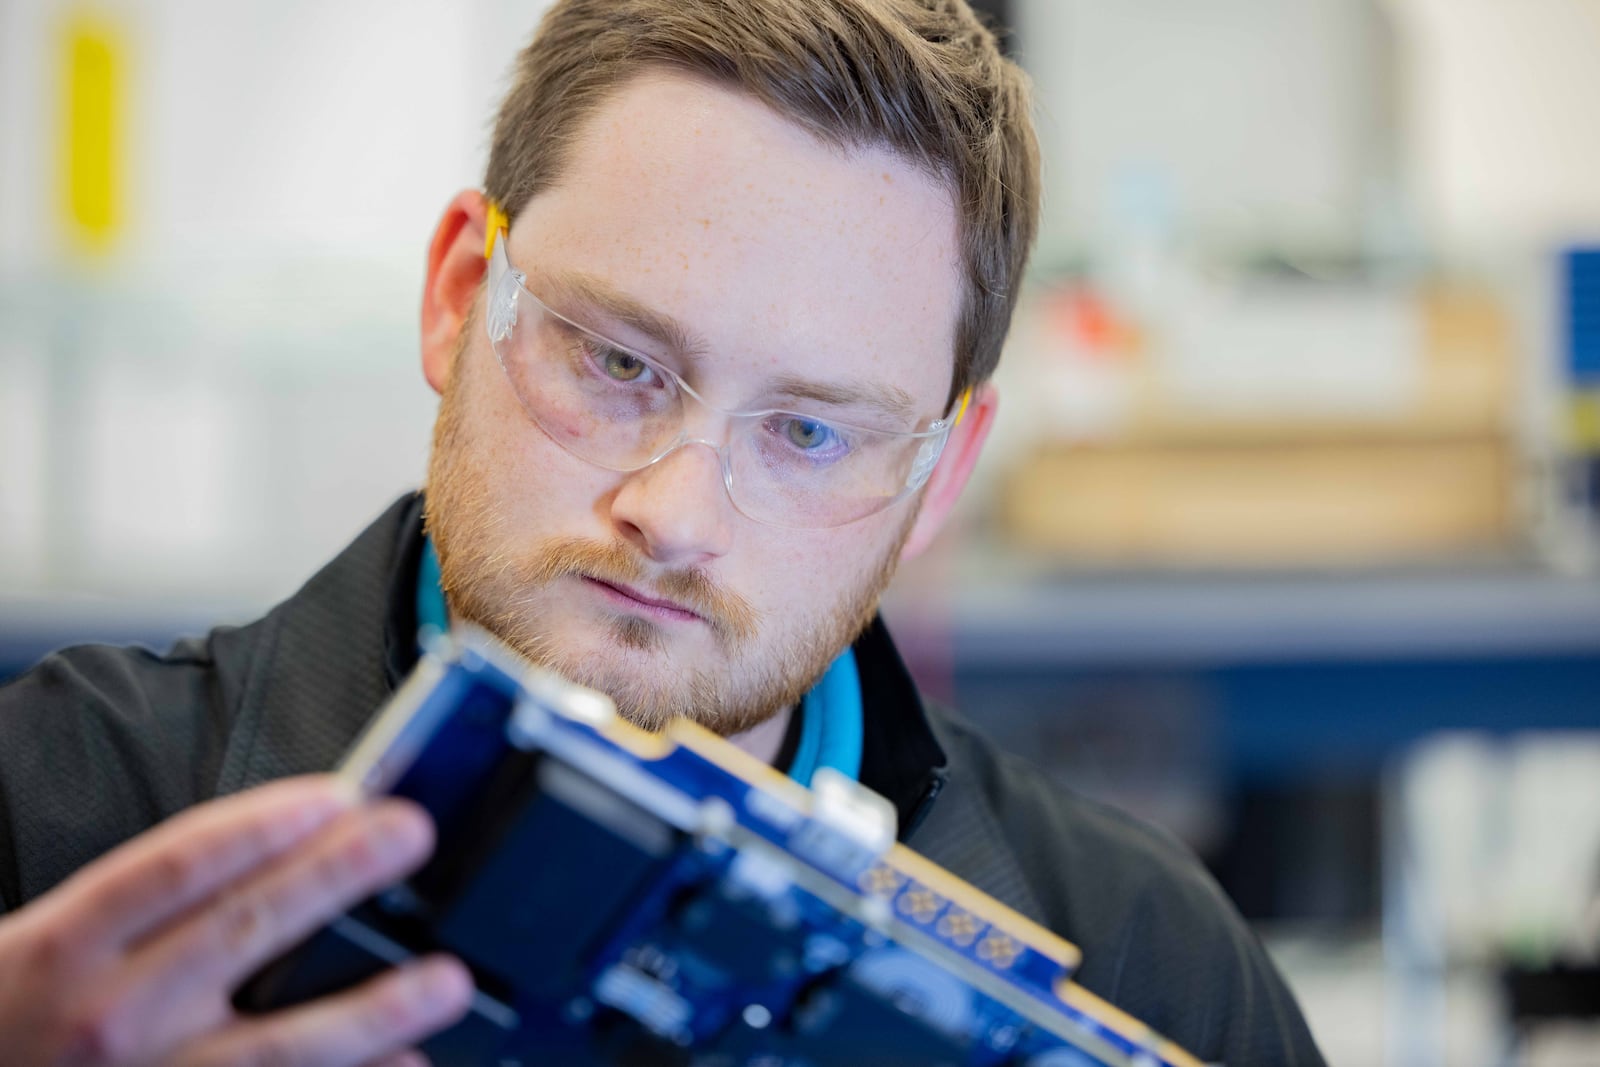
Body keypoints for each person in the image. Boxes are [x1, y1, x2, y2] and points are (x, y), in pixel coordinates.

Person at [0, 1, 1326, 1063]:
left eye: (810, 433)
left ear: (941, 474)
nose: (676, 516)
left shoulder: (1157, 972)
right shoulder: (51, 820)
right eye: (621, 364)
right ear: (461, 299)